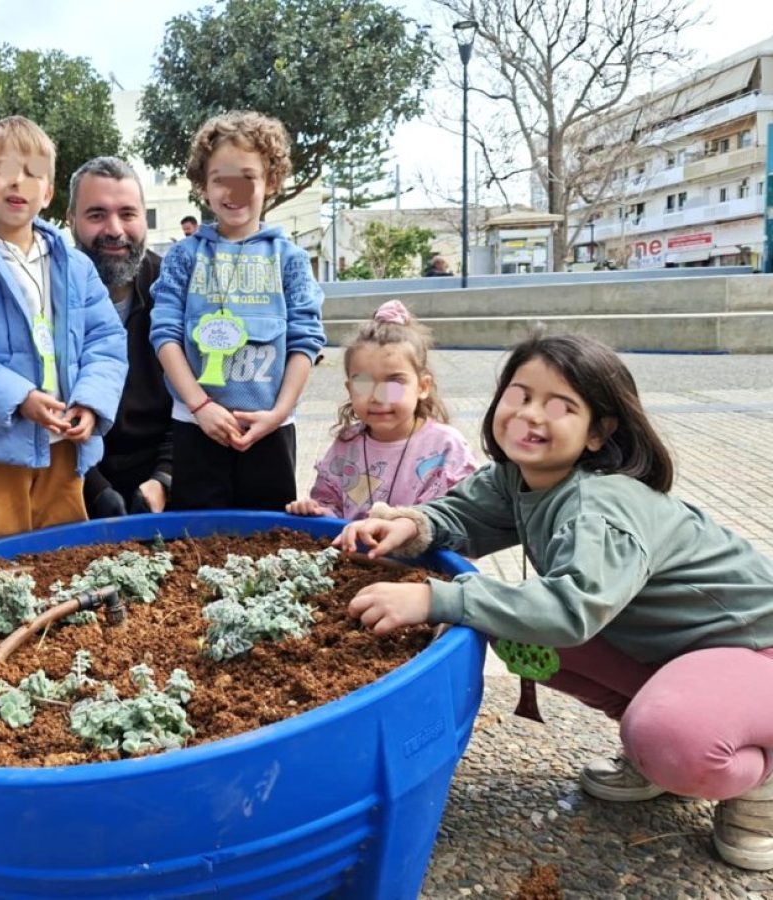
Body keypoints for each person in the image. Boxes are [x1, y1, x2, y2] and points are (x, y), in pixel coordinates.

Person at [335, 332, 773, 872]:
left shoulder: (599, 505)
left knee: (672, 737)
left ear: (599, 432)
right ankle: (654, 749)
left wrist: (437, 597)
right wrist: (409, 523)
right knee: (517, 627)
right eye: (520, 394)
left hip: (755, 651)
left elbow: (572, 609)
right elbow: (462, 517)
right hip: (680, 654)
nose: (530, 415)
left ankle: (758, 779)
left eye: (561, 406)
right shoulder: (519, 478)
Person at [0, 116, 128, 543]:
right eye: (3, 171)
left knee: (66, 552)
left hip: (65, 442)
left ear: (48, 193)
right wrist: (20, 398)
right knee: (0, 554)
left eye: (32, 175)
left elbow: (105, 341)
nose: (18, 184)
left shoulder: (74, 265)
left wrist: (91, 402)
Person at [150, 110, 325, 511]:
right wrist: (201, 406)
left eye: (247, 178)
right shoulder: (183, 257)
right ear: (203, 186)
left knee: (268, 539)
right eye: (220, 180)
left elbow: (305, 340)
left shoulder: (290, 259)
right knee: (197, 541)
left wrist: (279, 414)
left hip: (270, 431)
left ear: (272, 182)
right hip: (196, 427)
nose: (234, 192)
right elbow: (165, 336)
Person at [286, 299, 476, 519]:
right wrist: (318, 511)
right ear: (350, 389)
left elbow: (458, 518)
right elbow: (331, 504)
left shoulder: (446, 447)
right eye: (364, 384)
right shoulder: (348, 444)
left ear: (423, 387)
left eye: (394, 383)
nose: (377, 396)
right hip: (356, 552)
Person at [67, 156, 174, 517]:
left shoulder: (177, 287)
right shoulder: (45, 295)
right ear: (71, 222)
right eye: (96, 215)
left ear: (144, 217)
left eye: (127, 214)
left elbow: (204, 395)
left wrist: (164, 478)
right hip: (75, 476)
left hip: (173, 477)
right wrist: (96, 490)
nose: (114, 230)